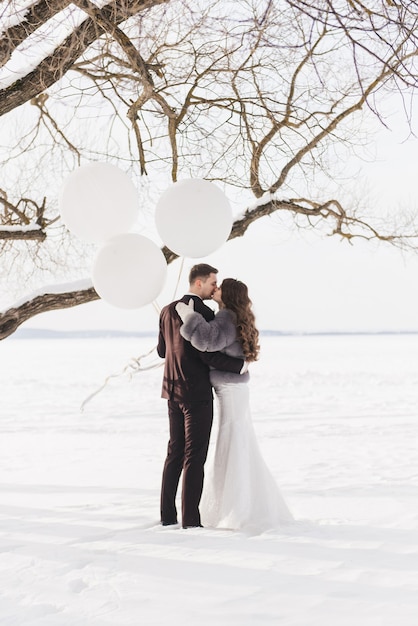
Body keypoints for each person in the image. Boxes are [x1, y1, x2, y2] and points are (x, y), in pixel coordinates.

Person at [176, 278, 293, 533]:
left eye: (219, 287)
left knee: (233, 440)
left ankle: (238, 507)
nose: (215, 289)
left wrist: (189, 317)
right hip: (235, 389)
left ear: (227, 294)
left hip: (230, 390)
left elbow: (206, 341)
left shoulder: (226, 317)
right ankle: (243, 502)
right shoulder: (232, 316)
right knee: (239, 440)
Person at [157, 264, 246, 529]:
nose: (214, 288)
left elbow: (163, 351)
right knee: (194, 457)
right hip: (195, 392)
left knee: (174, 453)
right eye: (212, 283)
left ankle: (167, 516)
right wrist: (239, 366)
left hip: (171, 390)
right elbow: (206, 352)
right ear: (199, 283)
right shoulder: (205, 313)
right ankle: (191, 522)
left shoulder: (166, 310)